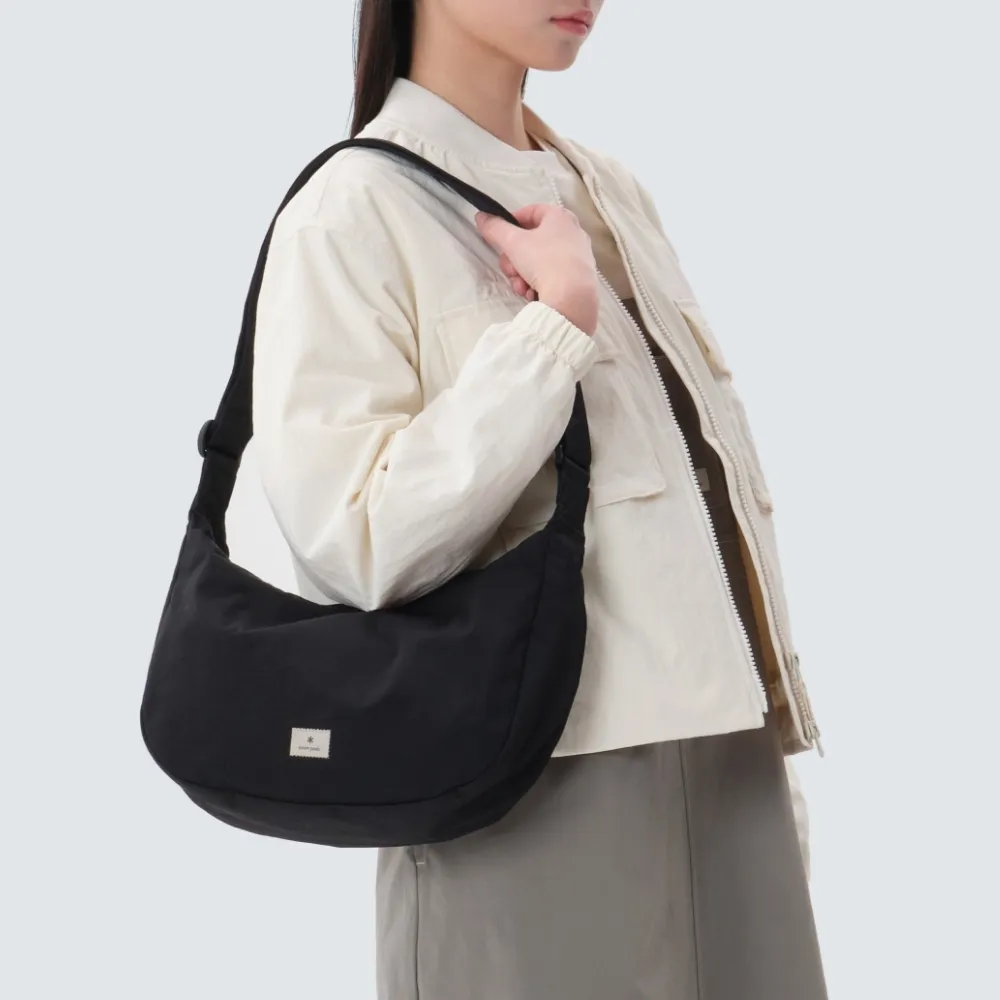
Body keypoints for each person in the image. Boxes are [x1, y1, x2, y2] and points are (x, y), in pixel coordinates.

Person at [251, 1, 828, 996]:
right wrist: (553, 330)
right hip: (533, 789)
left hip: (729, 768)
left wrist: (763, 787)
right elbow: (354, 543)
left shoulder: (607, 191)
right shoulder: (355, 209)